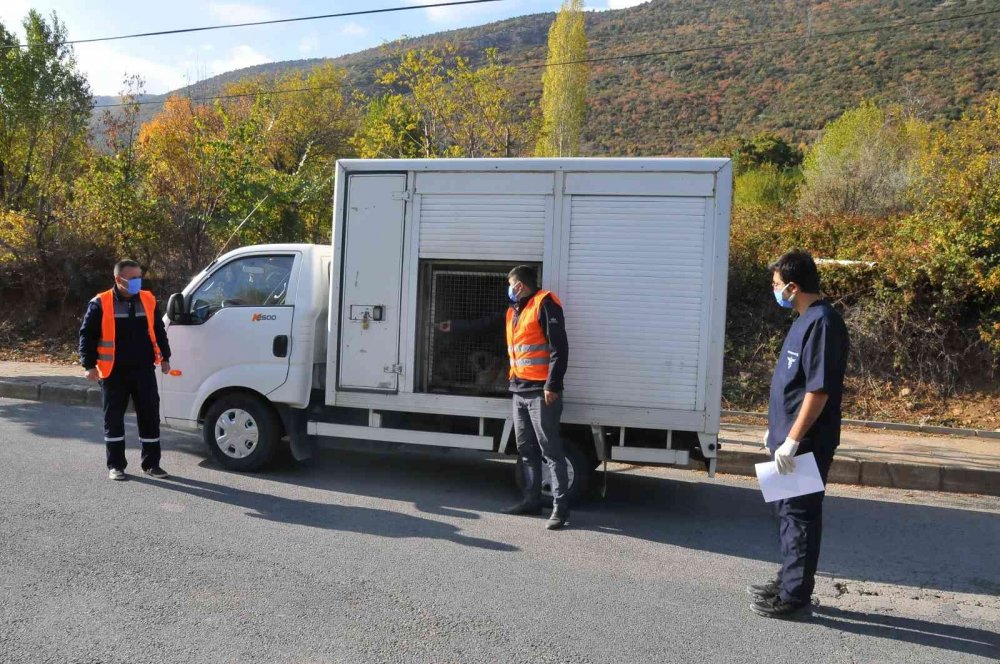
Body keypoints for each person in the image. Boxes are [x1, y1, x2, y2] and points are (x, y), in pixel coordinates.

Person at [748, 250, 850, 620]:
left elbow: (818, 391)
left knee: (800, 515)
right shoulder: (803, 319)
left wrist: (792, 439)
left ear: (793, 286)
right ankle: (787, 581)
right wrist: (775, 430)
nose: (774, 291)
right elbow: (792, 385)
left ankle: (794, 596)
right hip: (787, 437)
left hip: (805, 441)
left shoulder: (823, 323)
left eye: (777, 286)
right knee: (787, 513)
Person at [439, 266, 571, 530]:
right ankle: (531, 500)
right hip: (519, 390)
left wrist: (552, 385)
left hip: (540, 392)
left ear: (520, 285)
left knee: (551, 452)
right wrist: (453, 326)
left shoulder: (544, 304)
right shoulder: (514, 311)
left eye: (510, 284)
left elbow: (560, 348)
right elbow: (485, 323)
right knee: (526, 450)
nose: (509, 288)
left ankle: (560, 508)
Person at [79, 260, 173, 481]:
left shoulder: (148, 299)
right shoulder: (100, 303)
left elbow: (159, 330)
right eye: (132, 279)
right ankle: (116, 465)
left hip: (143, 369)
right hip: (113, 372)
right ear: (117, 279)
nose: (137, 282)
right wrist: (88, 365)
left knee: (149, 416)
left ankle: (151, 464)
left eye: (139, 277)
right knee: (114, 419)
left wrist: (166, 356)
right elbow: (87, 336)